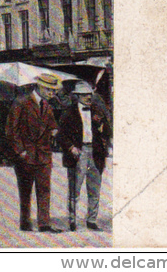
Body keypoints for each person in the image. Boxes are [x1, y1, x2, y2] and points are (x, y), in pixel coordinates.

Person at [6, 73, 63, 233]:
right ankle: (25, 223)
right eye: (50, 90)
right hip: (26, 156)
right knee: (25, 190)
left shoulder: (48, 106)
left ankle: (44, 224)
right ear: (40, 87)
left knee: (44, 189)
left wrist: (54, 130)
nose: (52, 94)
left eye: (54, 91)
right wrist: (20, 151)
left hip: (44, 155)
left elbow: (53, 124)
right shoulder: (21, 102)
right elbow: (11, 130)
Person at [58, 82, 112, 231]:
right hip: (78, 153)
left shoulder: (97, 111)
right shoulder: (69, 112)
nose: (88, 97)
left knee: (94, 188)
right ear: (77, 96)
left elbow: (109, 131)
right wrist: (71, 147)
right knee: (75, 188)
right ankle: (72, 220)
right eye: (84, 95)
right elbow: (61, 135)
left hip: (95, 153)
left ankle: (91, 220)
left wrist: (102, 126)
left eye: (89, 94)